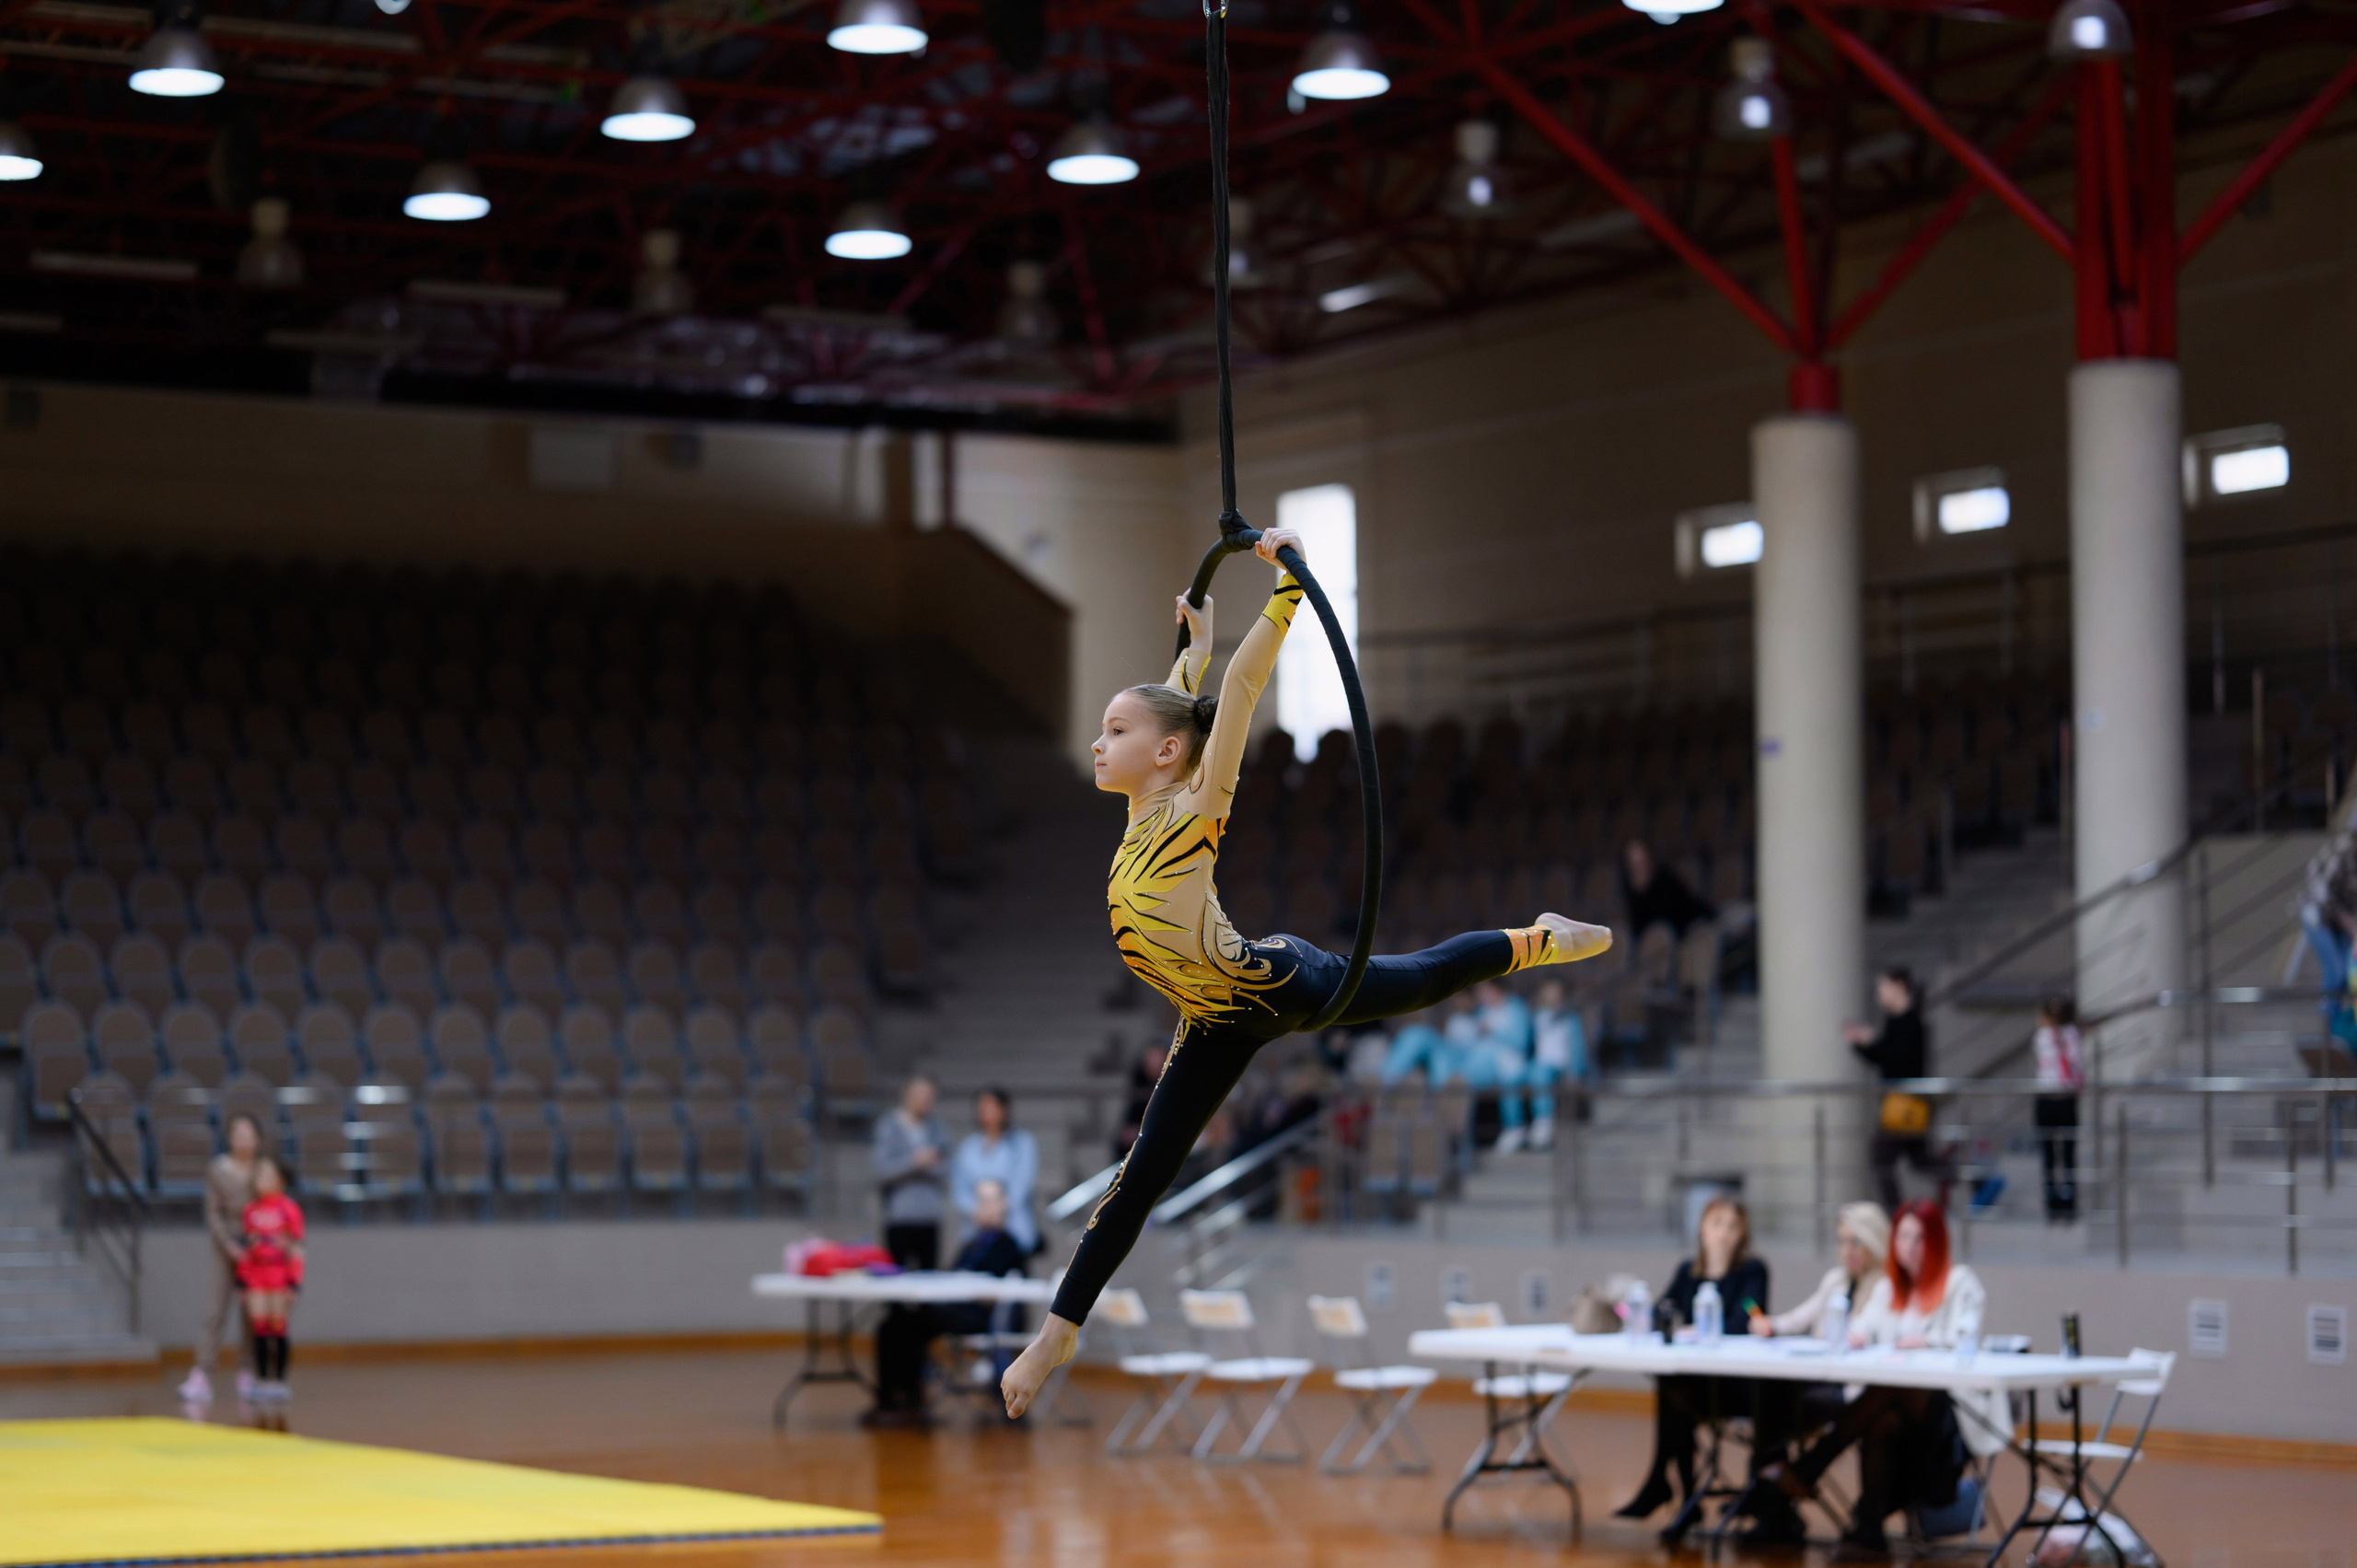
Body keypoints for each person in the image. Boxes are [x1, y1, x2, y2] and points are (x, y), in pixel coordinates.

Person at [1001, 527, 1615, 1417]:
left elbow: (1234, 697)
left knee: (1424, 978)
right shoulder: (1144, 805)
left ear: (1166, 753)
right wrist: (1195, 650)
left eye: (1114, 731)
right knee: (1139, 1177)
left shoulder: (1191, 811)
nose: (1099, 744)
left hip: (1280, 984)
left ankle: (1536, 938)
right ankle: (1059, 1330)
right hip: (1211, 1020)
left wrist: (1289, 584)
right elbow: (1179, 704)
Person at [1750, 1202, 2008, 1561]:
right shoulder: (1889, 1288)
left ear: (1937, 1242)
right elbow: (1864, 1327)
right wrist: (1855, 1336)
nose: (1911, 1246)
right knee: (1883, 1421)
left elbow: (1965, 1335)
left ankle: (1812, 1466)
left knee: (1898, 1381)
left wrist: (1928, 1341)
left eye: (1921, 1238)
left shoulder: (1959, 1282)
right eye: (1904, 1236)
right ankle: (1868, 1531)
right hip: (1902, 1414)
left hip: (1949, 1411)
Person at [1614, 1194, 1774, 1537]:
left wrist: (1693, 1327)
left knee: (1675, 1393)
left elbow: (1746, 1315)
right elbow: (1663, 1312)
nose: (1723, 1234)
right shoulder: (1688, 1274)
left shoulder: (1750, 1273)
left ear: (1742, 1233)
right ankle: (1684, 1497)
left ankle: (1666, 1486)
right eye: (1716, 1224)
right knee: (1674, 1389)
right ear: (1701, 1228)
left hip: (1737, 1387)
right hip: (1698, 1386)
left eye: (1732, 1226)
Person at [869, 1179, 1032, 1425]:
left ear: (1004, 1205)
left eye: (990, 1201)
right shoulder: (973, 1243)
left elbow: (1001, 1294)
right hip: (955, 1311)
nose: (984, 1208)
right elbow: (951, 1276)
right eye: (980, 1201)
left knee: (906, 1323)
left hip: (977, 1319)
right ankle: (893, 1400)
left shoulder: (1009, 1246)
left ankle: (908, 1401)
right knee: (894, 1322)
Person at [1848, 966, 1951, 1212]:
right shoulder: (1897, 1020)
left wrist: (1870, 1043)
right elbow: (1884, 1058)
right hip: (1901, 1103)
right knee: (1921, 1162)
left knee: (1882, 1159)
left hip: (1906, 1105)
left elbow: (1895, 1060)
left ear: (1899, 986)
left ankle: (1896, 1214)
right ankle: (1974, 1177)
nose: (1879, 995)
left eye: (1883, 988)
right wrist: (1861, 1044)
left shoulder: (1911, 1021)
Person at [179, 1111, 262, 1404]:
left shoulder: (263, 1170)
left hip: (256, 1248)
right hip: (224, 1246)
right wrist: (228, 1243)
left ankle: (248, 1371)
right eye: (237, 1134)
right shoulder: (218, 1169)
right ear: (230, 1138)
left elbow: (272, 1204)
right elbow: (212, 1211)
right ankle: (201, 1373)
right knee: (215, 1310)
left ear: (257, 1139)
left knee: (252, 1313)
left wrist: (257, 1241)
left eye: (248, 1134)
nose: (243, 1139)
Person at [1753, 1201, 1890, 1340]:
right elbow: (1800, 1319)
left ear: (1873, 1243)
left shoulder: (1886, 1286)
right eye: (1842, 1241)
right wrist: (1771, 1325)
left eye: (1855, 1243)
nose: (1847, 1251)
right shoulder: (1836, 1280)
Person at [235, 1156, 304, 1403]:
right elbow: (245, 1249)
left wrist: (294, 1283)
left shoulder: (288, 1209)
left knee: (278, 1326)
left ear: (279, 1180)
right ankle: (261, 1379)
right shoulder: (251, 1211)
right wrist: (242, 1280)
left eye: (266, 1174)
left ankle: (280, 1380)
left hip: (278, 1275)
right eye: (258, 1174)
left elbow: (296, 1249)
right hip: (257, 1276)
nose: (260, 1179)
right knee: (259, 1328)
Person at [951, 1087, 1039, 1255]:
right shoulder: (968, 1146)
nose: (987, 1112)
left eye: (992, 1107)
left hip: (1012, 1228)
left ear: (1003, 1110)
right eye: (982, 1108)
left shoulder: (1021, 1143)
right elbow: (960, 1189)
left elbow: (1022, 1184)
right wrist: (977, 1212)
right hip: (975, 1231)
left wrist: (998, 1210)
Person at [874, 1075, 950, 1272]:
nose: (925, 1101)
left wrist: (928, 1164)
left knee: (929, 1283)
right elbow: (882, 1171)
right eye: (920, 1095)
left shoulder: (937, 1128)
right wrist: (914, 1162)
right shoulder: (889, 1126)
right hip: (899, 1218)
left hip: (929, 1218)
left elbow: (946, 1168)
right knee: (896, 1283)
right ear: (907, 1095)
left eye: (929, 1096)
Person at [2031, 997, 2084, 1221]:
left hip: (2064, 1098)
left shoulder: (2070, 1035)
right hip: (2049, 1099)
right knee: (2050, 1156)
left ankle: (2068, 1203)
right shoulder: (2044, 1037)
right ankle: (2053, 1204)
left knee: (2068, 1155)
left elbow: (2075, 1063)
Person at [1528, 977, 1588, 1142]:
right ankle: (1538, 1121)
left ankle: (1545, 1121)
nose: (1552, 996)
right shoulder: (1537, 1017)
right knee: (1536, 1074)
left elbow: (1577, 1047)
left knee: (1540, 1076)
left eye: (1556, 993)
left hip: (1562, 1064)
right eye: (1548, 992)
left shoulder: (1570, 1018)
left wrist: (1575, 1071)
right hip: (1540, 1064)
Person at [1620, 840, 1716, 940]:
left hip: (1688, 922)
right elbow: (1638, 923)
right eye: (1633, 860)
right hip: (1659, 937)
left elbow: (1680, 907)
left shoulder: (1663, 877)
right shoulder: (1629, 888)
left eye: (1641, 859)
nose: (1638, 864)